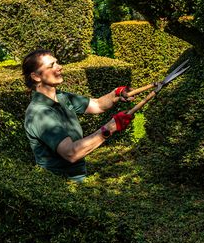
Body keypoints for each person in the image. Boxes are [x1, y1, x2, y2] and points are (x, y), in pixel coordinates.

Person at [22, 49, 133, 181]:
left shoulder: (61, 97)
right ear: (36, 77)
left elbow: (97, 105)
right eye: (51, 66)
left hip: (78, 178)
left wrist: (116, 94)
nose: (59, 67)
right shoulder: (40, 113)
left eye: (57, 63)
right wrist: (110, 128)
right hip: (59, 183)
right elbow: (71, 153)